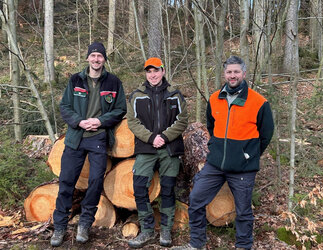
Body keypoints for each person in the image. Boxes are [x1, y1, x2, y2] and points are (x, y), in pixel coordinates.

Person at [174, 56, 274, 250]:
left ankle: (243, 246)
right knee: (195, 199)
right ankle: (197, 243)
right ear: (225, 74)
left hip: (243, 168)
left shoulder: (258, 102)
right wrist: (217, 148)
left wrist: (248, 154)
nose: (232, 75)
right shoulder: (214, 98)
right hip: (215, 164)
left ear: (244, 74)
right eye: (229, 72)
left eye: (236, 72)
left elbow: (266, 133)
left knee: (243, 211)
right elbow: (211, 126)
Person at [50, 42, 127, 247]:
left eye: (99, 56)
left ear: (104, 59)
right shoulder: (75, 80)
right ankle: (60, 226)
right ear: (87, 58)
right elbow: (65, 106)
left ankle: (85, 224)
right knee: (66, 181)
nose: (96, 59)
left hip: (98, 138)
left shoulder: (113, 82)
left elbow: (120, 109)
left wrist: (100, 121)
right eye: (93, 56)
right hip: (76, 138)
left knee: (94, 182)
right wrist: (79, 121)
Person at [126, 57, 188, 248]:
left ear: (163, 71)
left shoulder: (175, 95)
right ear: (146, 74)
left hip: (170, 148)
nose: (153, 75)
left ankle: (166, 230)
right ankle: (147, 230)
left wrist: (165, 137)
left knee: (168, 189)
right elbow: (132, 122)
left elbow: (182, 120)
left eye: (156, 71)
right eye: (149, 71)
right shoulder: (137, 96)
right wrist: (152, 137)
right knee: (138, 187)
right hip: (146, 148)